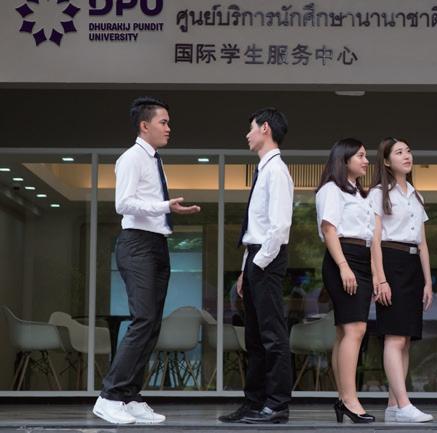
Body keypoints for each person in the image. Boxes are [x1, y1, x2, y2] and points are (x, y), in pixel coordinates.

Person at [93, 97, 200, 424]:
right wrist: (164, 207)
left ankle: (130, 396)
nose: (169, 128)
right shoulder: (131, 158)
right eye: (163, 122)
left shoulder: (154, 159)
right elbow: (123, 204)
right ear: (144, 125)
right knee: (143, 320)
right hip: (137, 244)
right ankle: (109, 396)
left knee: (152, 323)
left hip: (156, 243)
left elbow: (147, 202)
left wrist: (167, 209)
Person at [218, 108, 294, 425]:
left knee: (272, 335)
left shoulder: (276, 171)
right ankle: (254, 402)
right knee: (254, 337)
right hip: (255, 257)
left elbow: (280, 227)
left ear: (265, 129)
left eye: (251, 128)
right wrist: (245, 269)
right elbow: (257, 228)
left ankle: (276, 404)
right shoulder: (264, 170)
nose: (247, 134)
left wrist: (259, 264)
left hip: (267, 258)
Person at [368, 137, 434, 423]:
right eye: (399, 152)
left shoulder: (417, 196)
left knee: (406, 339)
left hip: (413, 267)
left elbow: (422, 243)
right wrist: (380, 278)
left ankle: (394, 405)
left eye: (408, 150)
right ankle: (405, 405)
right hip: (391, 263)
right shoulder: (378, 194)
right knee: (394, 337)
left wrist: (428, 282)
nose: (407, 155)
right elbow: (374, 240)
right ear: (386, 161)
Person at [315, 138, 375, 424]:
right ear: (345, 159)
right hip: (343, 257)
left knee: (345, 332)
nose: (366, 161)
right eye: (360, 156)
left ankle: (343, 399)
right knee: (355, 329)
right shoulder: (331, 189)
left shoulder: (359, 193)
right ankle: (351, 400)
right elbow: (329, 230)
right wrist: (343, 266)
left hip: (360, 258)